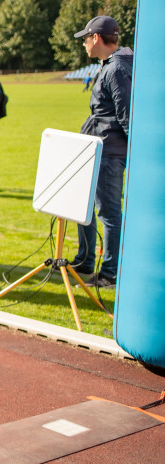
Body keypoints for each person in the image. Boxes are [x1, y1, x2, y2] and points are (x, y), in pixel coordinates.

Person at [71, 15, 132, 289]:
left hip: (110, 152)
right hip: (97, 148)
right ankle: (85, 260)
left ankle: (110, 273)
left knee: (108, 212)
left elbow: (126, 115)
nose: (84, 43)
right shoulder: (111, 65)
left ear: (96, 38)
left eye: (85, 38)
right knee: (82, 203)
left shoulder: (117, 68)